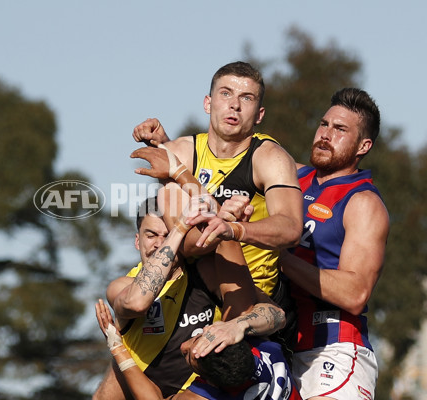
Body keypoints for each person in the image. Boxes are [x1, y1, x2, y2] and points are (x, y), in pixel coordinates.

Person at [130, 61, 303, 354]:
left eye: (246, 98)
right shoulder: (179, 152)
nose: (234, 105)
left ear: (259, 114)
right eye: (226, 94)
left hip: (250, 299)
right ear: (208, 103)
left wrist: (234, 228)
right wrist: (220, 217)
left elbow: (290, 227)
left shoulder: (270, 157)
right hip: (190, 290)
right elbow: (185, 244)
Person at [93, 195, 286, 399]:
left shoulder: (206, 272)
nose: (159, 244)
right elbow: (138, 303)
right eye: (151, 235)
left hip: (201, 391)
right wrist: (180, 226)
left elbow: (277, 315)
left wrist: (239, 325)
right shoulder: (122, 287)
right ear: (137, 241)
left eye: (167, 235)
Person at [278, 88, 389, 399]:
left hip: (334, 352)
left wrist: (279, 258)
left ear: (363, 146)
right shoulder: (291, 178)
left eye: (340, 129)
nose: (326, 135)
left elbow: (355, 293)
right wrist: (170, 148)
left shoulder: (363, 202)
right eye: (324, 124)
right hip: (280, 346)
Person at [95, 299, 302, 399]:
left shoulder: (205, 396)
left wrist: (117, 347)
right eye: (197, 337)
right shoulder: (266, 348)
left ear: (210, 382)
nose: (183, 345)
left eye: (189, 357)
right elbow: (278, 315)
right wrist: (239, 324)